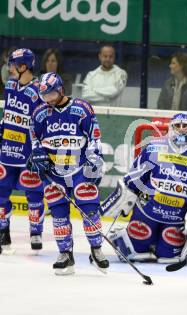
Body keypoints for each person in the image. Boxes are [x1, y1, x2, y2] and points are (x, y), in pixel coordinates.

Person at [101, 113, 187, 263]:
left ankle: (164, 245)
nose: (181, 129)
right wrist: (124, 196)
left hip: (175, 218)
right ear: (170, 128)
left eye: (184, 126)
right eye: (177, 126)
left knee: (169, 257)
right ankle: (129, 239)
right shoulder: (154, 147)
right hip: (146, 212)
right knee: (136, 252)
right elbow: (135, 177)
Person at [28, 72, 108, 275]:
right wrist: (37, 154)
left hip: (80, 168)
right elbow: (35, 138)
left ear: (61, 90)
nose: (49, 100)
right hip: (54, 172)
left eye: (52, 95)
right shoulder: (39, 113)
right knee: (59, 214)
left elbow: (94, 137)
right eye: (45, 96)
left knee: (89, 209)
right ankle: (65, 254)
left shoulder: (81, 108)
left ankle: (96, 250)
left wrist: (95, 160)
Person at [0, 48, 45, 255]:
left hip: (28, 151)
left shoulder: (38, 91)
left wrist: (41, 148)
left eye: (12, 64)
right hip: (8, 149)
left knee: (34, 193)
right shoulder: (10, 85)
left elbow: (42, 122)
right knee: (1, 192)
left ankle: (36, 232)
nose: (9, 68)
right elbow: (8, 112)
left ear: (23, 66)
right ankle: (3, 230)